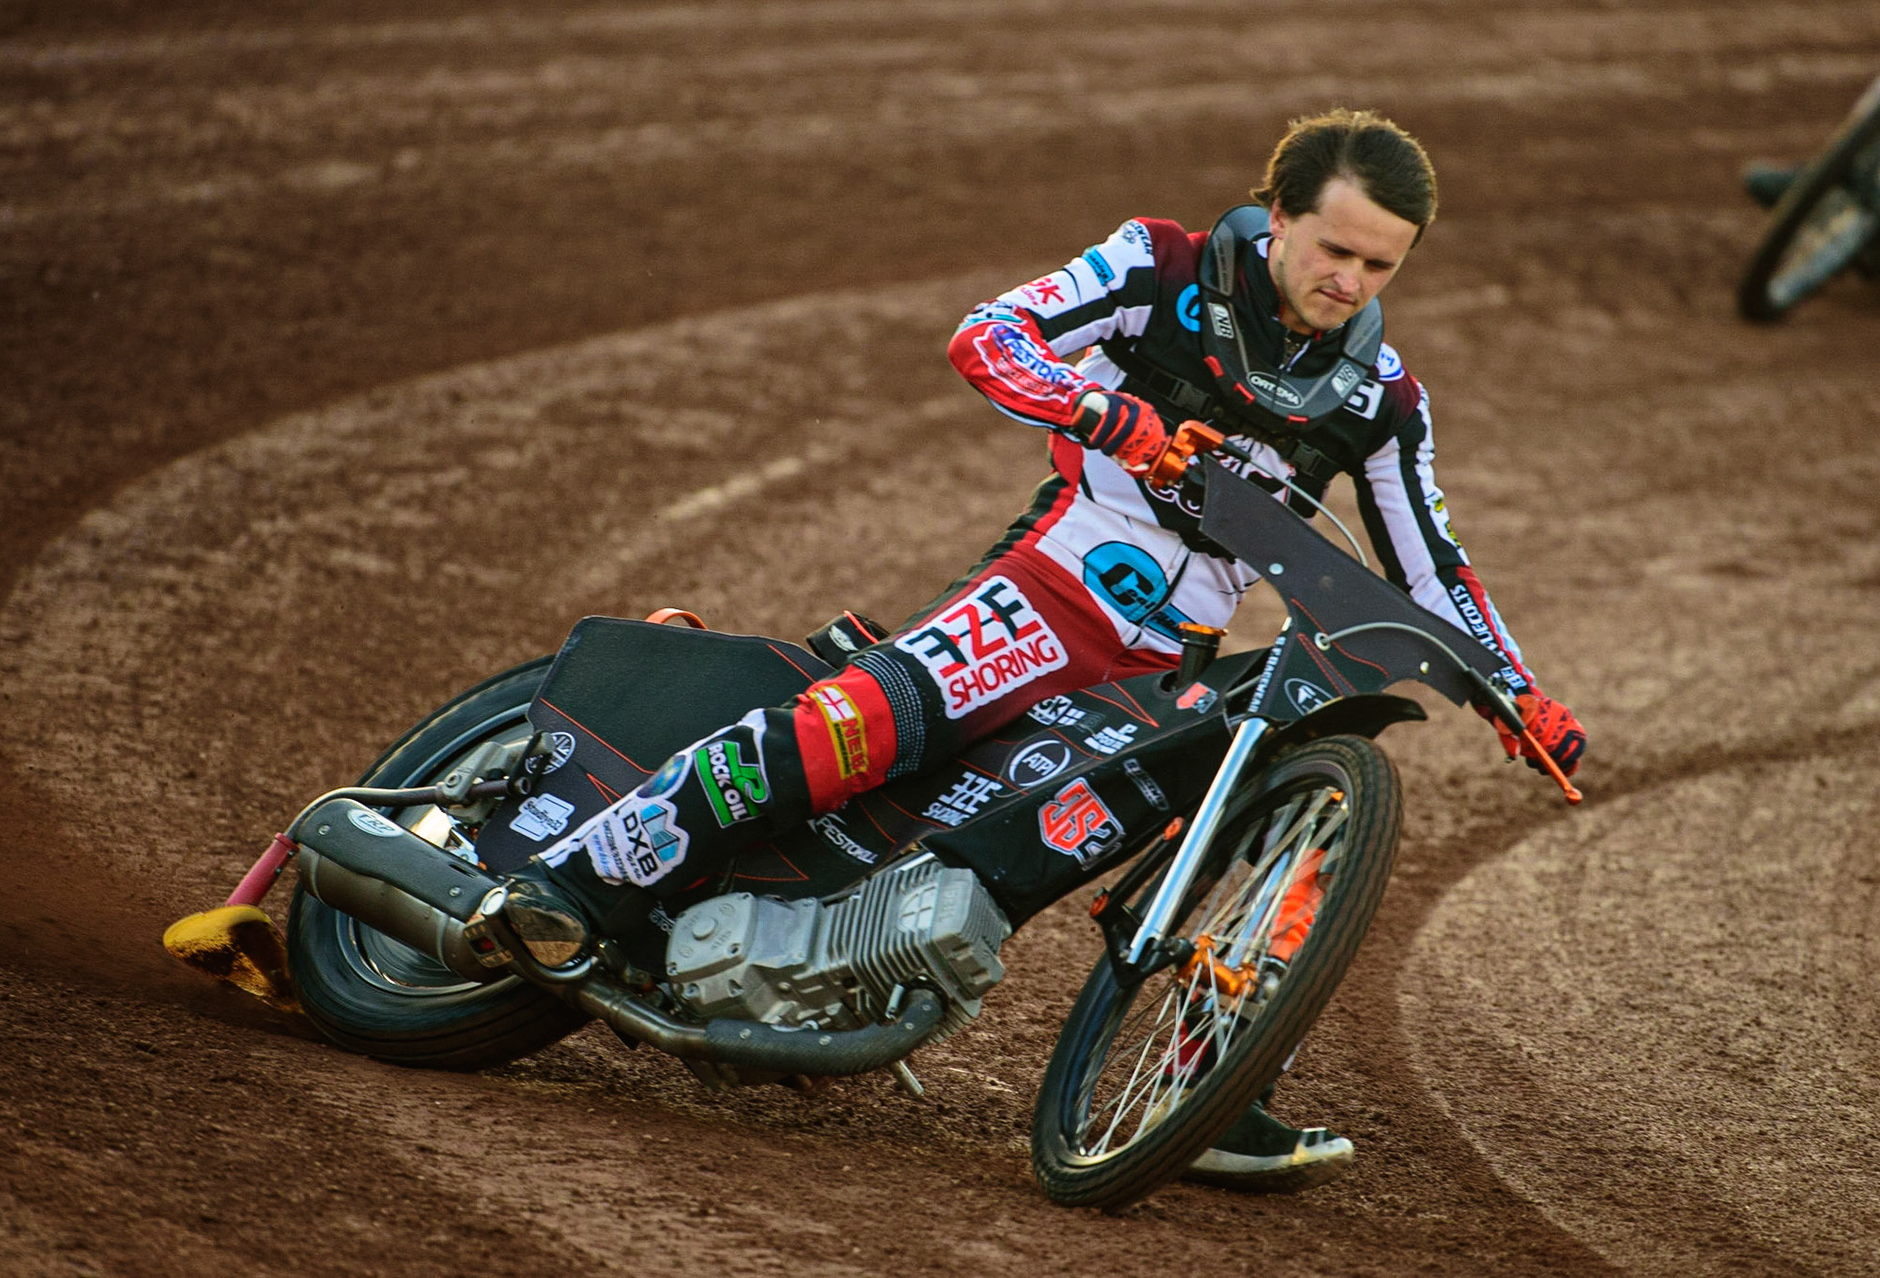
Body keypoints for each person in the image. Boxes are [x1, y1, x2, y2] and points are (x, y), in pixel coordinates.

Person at [515, 107, 1586, 1193]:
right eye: (1336, 249)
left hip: (1168, 660)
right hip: (1053, 583)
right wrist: (1105, 415)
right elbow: (989, 337)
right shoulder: (1159, 263)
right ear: (1277, 218)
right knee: (860, 732)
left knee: (1257, 806)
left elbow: (1432, 567)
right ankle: (577, 877)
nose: (1353, 280)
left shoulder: (1383, 400)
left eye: (1381, 264)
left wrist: (1521, 693)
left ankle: (1213, 1083)